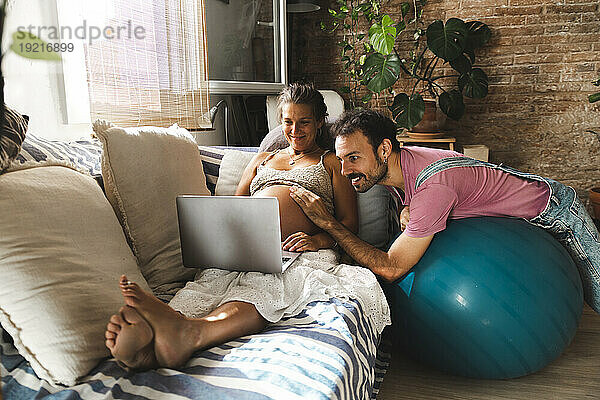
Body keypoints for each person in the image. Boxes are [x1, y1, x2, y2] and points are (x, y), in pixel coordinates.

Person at [104, 84, 390, 370]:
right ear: (281, 122)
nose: (296, 130)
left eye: (304, 122)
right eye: (288, 122)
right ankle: (149, 343)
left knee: (260, 290)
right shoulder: (261, 160)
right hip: (245, 248)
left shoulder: (331, 162)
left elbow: (349, 224)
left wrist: (316, 241)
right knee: (205, 289)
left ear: (318, 122)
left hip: (298, 253)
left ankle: (192, 332)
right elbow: (231, 210)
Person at [289, 108, 600, 314]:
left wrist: (327, 223)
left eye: (353, 158)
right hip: (522, 219)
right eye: (341, 159)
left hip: (556, 213)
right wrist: (407, 207)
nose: (344, 171)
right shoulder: (401, 164)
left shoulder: (433, 187)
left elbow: (392, 267)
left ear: (383, 149)